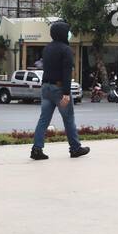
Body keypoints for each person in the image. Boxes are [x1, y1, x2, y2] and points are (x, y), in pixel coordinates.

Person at [30, 20, 90, 161]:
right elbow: (66, 72)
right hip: (59, 88)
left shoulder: (47, 48)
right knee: (68, 119)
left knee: (43, 120)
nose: (69, 34)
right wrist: (66, 93)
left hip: (46, 87)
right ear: (63, 33)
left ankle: (36, 149)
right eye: (67, 31)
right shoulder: (66, 49)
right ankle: (75, 148)